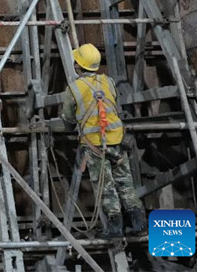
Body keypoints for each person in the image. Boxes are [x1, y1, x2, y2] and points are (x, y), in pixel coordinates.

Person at [61, 43, 147, 238]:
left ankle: (115, 229)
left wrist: (70, 128)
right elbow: (113, 105)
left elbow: (67, 118)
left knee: (105, 186)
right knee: (125, 182)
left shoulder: (74, 89)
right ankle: (140, 225)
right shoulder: (108, 82)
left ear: (78, 65)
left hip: (95, 144)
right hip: (117, 140)